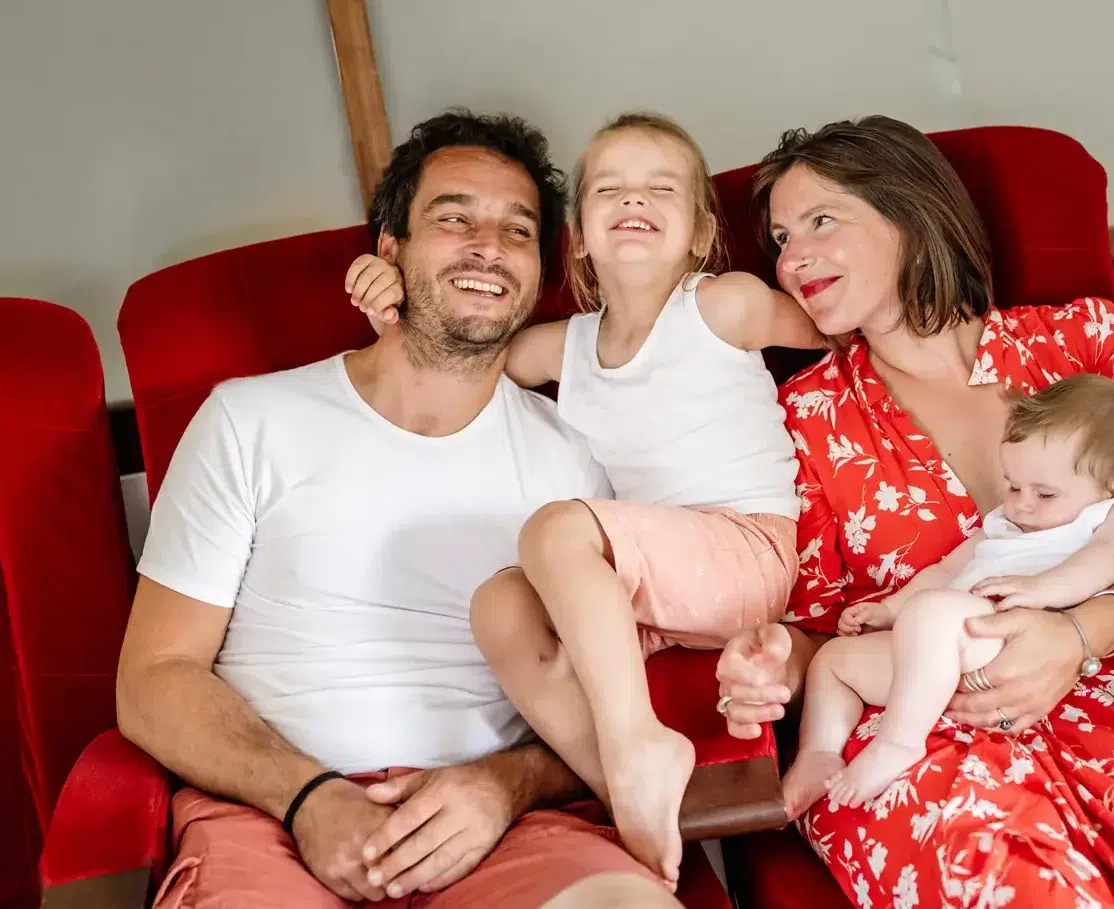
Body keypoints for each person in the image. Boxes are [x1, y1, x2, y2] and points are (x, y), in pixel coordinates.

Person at [711, 115, 1114, 907]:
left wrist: (1079, 636)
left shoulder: (1084, 342)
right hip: (921, 742)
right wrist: (764, 664)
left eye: (821, 221)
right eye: (780, 239)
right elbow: (820, 633)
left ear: (909, 213)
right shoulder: (803, 416)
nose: (793, 258)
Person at [115, 109, 690, 909]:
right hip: (269, 820)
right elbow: (152, 678)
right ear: (390, 247)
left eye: (518, 231)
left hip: (503, 833)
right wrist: (308, 796)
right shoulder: (249, 421)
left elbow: (618, 705)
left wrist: (504, 785)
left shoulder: (576, 459)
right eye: (454, 218)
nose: (488, 245)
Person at [345, 110, 824, 886]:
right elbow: (459, 352)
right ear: (578, 238)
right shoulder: (562, 348)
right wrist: (394, 301)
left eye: (659, 187)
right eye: (610, 188)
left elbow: (842, 326)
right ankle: (623, 782)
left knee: (555, 531)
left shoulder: (723, 305)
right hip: (651, 593)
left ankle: (638, 741)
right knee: (500, 607)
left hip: (743, 552)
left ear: (701, 233)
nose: (633, 198)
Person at [784, 374, 1114, 813]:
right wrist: (891, 610)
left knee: (933, 613)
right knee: (833, 660)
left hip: (1012, 644)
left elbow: (1108, 559)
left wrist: (1042, 588)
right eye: (1013, 485)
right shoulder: (1007, 521)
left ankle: (899, 742)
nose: (1021, 503)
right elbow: (947, 569)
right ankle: (818, 752)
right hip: (938, 658)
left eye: (1044, 493)